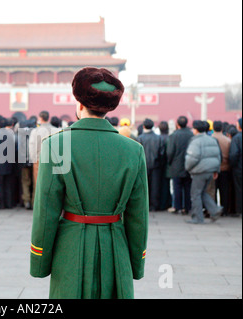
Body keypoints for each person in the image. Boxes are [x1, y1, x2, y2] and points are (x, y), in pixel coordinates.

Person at [30, 67, 149, 299]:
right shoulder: (134, 150)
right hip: (115, 247)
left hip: (70, 248)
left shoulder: (55, 145)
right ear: (109, 107)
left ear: (79, 104)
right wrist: (136, 263)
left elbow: (46, 211)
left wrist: (39, 261)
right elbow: (138, 217)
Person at [185, 120, 222, 224]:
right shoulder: (212, 140)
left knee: (195, 194)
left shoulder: (196, 141)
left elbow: (192, 158)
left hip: (199, 171)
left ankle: (197, 218)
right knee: (202, 192)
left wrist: (188, 168)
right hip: (210, 171)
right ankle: (215, 209)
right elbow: (218, 156)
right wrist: (216, 170)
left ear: (196, 130)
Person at [29, 111, 59, 204]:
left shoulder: (35, 131)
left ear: (40, 118)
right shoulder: (56, 130)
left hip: (39, 159)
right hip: (54, 160)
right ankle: (51, 203)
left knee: (38, 183)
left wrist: (33, 159)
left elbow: (32, 146)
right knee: (52, 183)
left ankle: (38, 203)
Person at [166, 116, 193, 215]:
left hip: (176, 165)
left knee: (177, 187)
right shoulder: (191, 134)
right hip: (189, 166)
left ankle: (177, 207)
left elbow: (170, 152)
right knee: (187, 187)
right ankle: (187, 207)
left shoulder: (174, 135)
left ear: (177, 124)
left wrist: (170, 162)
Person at [137, 118, 164, 211]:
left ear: (144, 126)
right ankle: (154, 205)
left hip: (143, 166)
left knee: (144, 187)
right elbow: (162, 153)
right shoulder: (159, 138)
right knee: (155, 187)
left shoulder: (140, 138)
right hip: (156, 166)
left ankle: (145, 205)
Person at [211, 120, 232, 216]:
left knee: (212, 190)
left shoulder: (210, 138)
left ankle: (214, 209)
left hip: (212, 169)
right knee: (224, 191)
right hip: (225, 168)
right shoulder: (227, 140)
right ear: (222, 128)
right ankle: (225, 210)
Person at [229, 118, 242, 217]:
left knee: (239, 189)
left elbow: (234, 154)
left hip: (239, 168)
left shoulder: (237, 138)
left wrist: (232, 165)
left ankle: (239, 210)